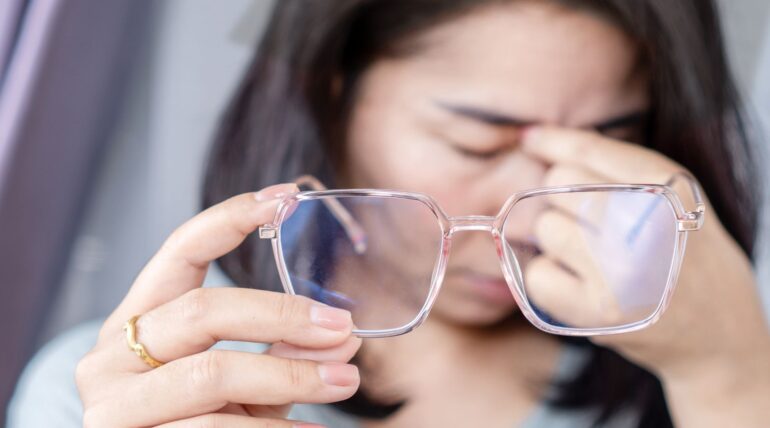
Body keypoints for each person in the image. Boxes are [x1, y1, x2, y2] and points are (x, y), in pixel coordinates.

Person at [9, 0, 770, 427]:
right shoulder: (113, 393)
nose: (540, 218)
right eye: (476, 142)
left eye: (612, 143)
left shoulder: (695, 380)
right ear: (334, 93)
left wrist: (730, 381)